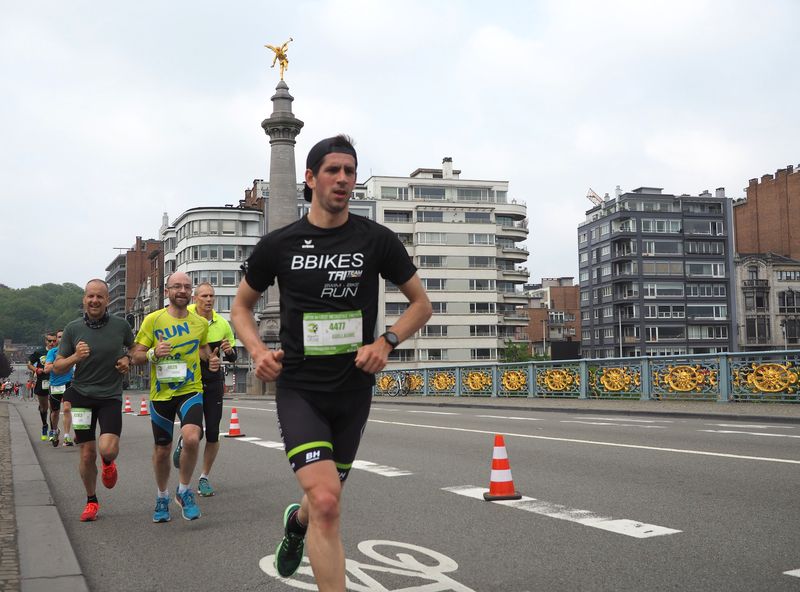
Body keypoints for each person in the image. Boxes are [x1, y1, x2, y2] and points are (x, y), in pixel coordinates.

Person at [231, 135, 432, 589]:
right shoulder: (280, 244)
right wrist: (258, 352)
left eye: (349, 171)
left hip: (353, 390)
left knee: (324, 498)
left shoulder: (376, 240)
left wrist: (387, 341)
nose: (343, 179)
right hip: (301, 388)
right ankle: (308, 523)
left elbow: (421, 304)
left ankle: (296, 524)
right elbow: (240, 308)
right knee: (326, 499)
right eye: (332, 170)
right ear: (310, 178)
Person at [129, 271, 220, 523]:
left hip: (191, 389)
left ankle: (183, 490)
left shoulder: (199, 323)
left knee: (191, 438)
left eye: (186, 287)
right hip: (161, 394)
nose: (182, 290)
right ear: (167, 291)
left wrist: (210, 360)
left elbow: (202, 347)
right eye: (176, 286)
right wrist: (153, 354)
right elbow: (135, 355)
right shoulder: (153, 320)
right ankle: (162, 496)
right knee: (162, 449)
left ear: (190, 292)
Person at [54, 279, 136, 522]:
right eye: (90, 296)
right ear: (84, 299)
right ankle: (91, 500)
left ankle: (108, 462)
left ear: (107, 300)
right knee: (87, 454)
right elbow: (57, 367)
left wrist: (128, 359)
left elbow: (137, 350)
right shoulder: (72, 329)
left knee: (107, 448)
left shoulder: (121, 326)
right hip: (81, 396)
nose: (94, 301)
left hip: (110, 396)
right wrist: (75, 357)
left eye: (100, 296)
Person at [174, 282, 237, 497]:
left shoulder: (222, 324)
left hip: (213, 381)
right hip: (190, 382)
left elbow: (233, 357)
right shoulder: (186, 317)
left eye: (211, 296)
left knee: (212, 432)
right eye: (204, 296)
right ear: (195, 298)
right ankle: (184, 441)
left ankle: (204, 478)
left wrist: (229, 352)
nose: (208, 300)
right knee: (195, 432)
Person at [44, 329, 75, 446]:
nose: (61, 339)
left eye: (63, 336)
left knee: (67, 408)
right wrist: (61, 364)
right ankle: (54, 430)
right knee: (55, 412)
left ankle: (67, 437)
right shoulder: (52, 352)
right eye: (59, 337)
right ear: (56, 339)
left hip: (68, 383)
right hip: (55, 385)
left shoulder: (72, 352)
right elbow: (46, 369)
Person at [28, 333, 56, 441]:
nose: (52, 343)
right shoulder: (39, 352)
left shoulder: (59, 351)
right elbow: (29, 364)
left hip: (55, 381)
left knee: (53, 407)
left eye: (54, 341)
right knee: (44, 408)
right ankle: (45, 425)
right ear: (46, 341)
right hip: (42, 382)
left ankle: (53, 430)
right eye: (50, 341)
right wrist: (36, 370)